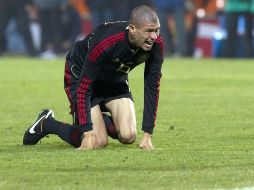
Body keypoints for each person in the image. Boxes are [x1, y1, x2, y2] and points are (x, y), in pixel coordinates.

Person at [23, 5, 164, 150]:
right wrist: (88, 134)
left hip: (114, 78)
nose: (154, 36)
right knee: (97, 141)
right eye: (149, 31)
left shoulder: (156, 44)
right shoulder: (106, 43)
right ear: (132, 29)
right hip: (81, 75)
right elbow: (84, 87)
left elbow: (152, 86)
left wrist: (147, 134)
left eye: (156, 30)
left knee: (128, 136)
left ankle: (98, 121)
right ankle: (47, 123)